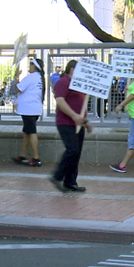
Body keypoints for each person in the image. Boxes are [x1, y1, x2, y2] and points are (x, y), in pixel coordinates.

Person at [48, 60, 92, 193]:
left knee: (76, 153)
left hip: (78, 124)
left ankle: (70, 182)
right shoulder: (63, 82)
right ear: (72, 69)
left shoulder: (79, 84)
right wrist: (74, 116)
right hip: (65, 122)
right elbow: (60, 101)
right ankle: (57, 176)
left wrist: (85, 122)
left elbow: (80, 104)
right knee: (72, 149)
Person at [11, 58, 45, 167]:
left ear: (35, 66)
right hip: (34, 109)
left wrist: (16, 77)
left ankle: (36, 157)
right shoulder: (40, 77)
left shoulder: (31, 77)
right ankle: (23, 154)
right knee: (26, 131)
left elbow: (19, 88)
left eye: (31, 64)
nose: (29, 66)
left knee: (31, 131)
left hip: (28, 109)